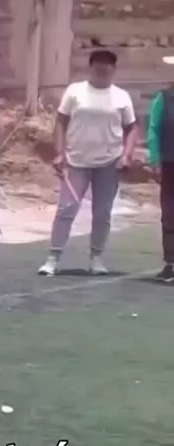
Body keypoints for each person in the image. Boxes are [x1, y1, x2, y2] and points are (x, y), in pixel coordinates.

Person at [38, 50, 137, 276]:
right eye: (98, 68)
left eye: (107, 69)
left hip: (109, 163)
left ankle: (96, 258)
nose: (102, 73)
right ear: (90, 68)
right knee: (67, 208)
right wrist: (59, 153)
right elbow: (61, 122)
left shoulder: (121, 97)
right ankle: (53, 258)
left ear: (113, 70)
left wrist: (127, 155)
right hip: (76, 161)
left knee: (102, 212)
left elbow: (131, 128)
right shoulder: (75, 91)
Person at [146, 87, 174, 282]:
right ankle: (171, 263)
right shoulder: (164, 98)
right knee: (170, 213)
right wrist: (155, 159)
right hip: (169, 163)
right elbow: (154, 128)